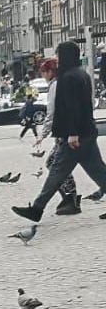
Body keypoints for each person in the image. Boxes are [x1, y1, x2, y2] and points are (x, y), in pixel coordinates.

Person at [13, 40, 106, 222]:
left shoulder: (67, 77)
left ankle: (37, 209)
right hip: (87, 131)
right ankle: (38, 208)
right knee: (99, 172)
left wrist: (72, 133)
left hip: (75, 136)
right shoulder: (82, 74)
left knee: (57, 172)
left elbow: (71, 107)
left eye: (59, 54)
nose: (57, 57)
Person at [34, 57, 80, 215]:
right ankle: (70, 198)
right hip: (70, 132)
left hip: (66, 134)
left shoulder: (55, 86)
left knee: (55, 164)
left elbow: (51, 113)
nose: (43, 75)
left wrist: (42, 134)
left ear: (49, 72)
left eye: (44, 72)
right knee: (57, 164)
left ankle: (70, 198)